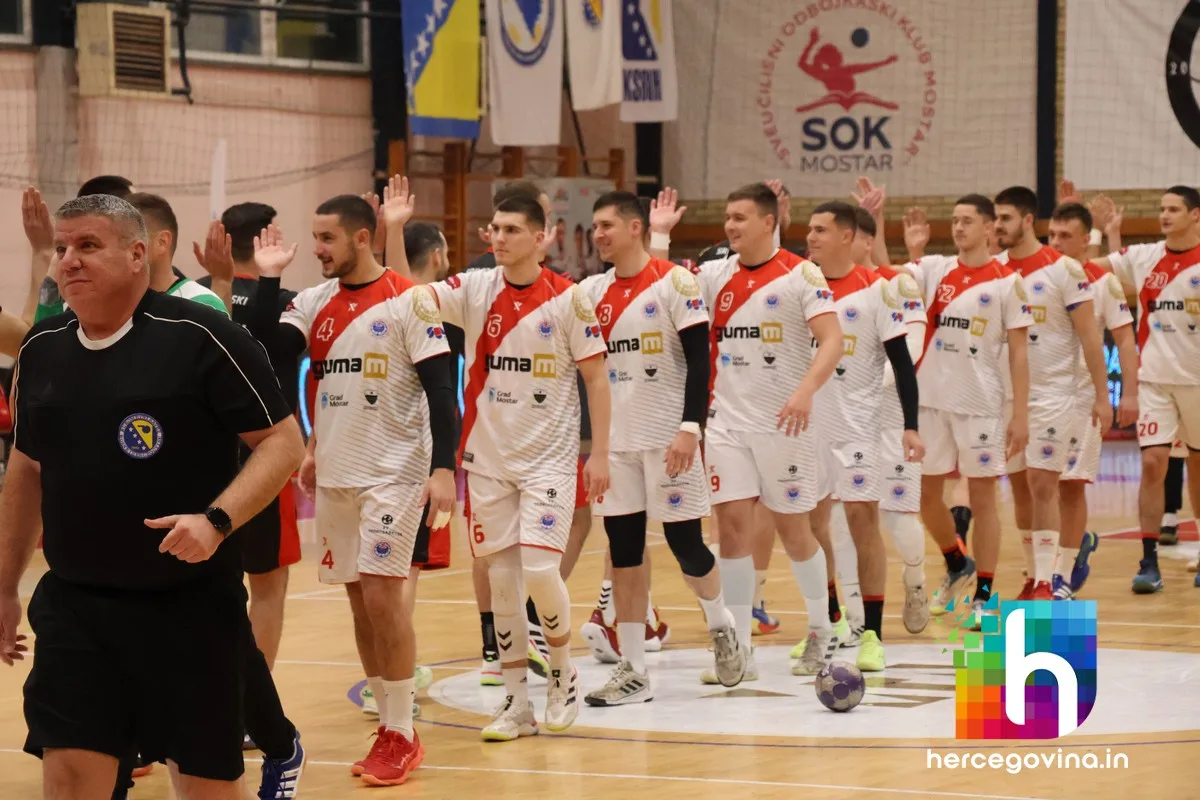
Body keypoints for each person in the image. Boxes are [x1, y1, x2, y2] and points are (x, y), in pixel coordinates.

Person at [0, 194, 306, 799]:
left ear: (138, 254)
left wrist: (216, 521)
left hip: (189, 607)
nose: (69, 260)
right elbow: (27, 469)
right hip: (76, 608)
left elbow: (283, 443)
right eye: (62, 248)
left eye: (88, 245)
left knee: (204, 786)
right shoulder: (42, 348)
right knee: (69, 777)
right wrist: (6, 586)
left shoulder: (202, 335)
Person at [250, 195, 458, 786]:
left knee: (384, 596)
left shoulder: (409, 299)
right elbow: (264, 358)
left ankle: (403, 732)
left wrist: (443, 469)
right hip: (337, 475)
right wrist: (268, 282)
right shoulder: (312, 302)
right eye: (315, 237)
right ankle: (389, 721)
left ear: (362, 238)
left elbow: (441, 390)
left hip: (395, 473)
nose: (316, 249)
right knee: (360, 602)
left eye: (327, 238)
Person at [393, 191, 612, 740]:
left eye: (512, 229)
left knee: (539, 572)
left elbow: (597, 379)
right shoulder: (474, 288)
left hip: (549, 463)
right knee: (503, 583)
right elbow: (406, 294)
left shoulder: (569, 298)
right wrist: (394, 230)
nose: (499, 237)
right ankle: (516, 703)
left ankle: (562, 672)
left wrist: (601, 453)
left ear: (541, 238)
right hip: (488, 462)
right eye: (494, 228)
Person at [653, 182, 844, 680]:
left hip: (785, 425)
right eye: (727, 217)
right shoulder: (713, 275)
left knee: (795, 531)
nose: (730, 226)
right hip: (727, 425)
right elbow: (660, 291)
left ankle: (822, 630)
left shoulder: (801, 274)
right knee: (732, 529)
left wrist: (805, 391)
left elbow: (832, 340)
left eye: (740, 217)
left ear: (768, 222)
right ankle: (739, 647)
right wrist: (660, 237)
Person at [576, 190, 746, 704]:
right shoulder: (589, 292)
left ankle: (721, 624)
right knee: (624, 552)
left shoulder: (675, 283)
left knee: (686, 546)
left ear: (635, 228)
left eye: (607, 225)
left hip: (669, 440)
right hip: (616, 446)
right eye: (595, 226)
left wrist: (690, 427)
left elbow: (700, 360)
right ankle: (633, 670)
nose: (598, 234)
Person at [802, 201, 923, 672]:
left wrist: (910, 425)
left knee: (861, 521)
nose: (810, 237)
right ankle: (829, 623)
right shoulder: (800, 287)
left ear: (847, 237)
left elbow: (902, 363)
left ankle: (872, 633)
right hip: (807, 427)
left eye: (820, 230)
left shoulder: (877, 291)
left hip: (858, 427)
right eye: (809, 229)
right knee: (812, 525)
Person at [903, 194, 1033, 629]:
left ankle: (984, 595)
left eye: (967, 221)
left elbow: (1019, 354)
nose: (958, 228)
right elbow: (883, 274)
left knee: (983, 499)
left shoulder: (1008, 282)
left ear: (989, 228)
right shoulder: (934, 269)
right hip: (929, 399)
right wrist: (890, 234)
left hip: (980, 404)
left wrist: (1020, 415)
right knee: (925, 497)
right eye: (954, 220)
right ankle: (958, 562)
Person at [196, 201, 303, 675]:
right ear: (269, 237)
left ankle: (207, 693)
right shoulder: (286, 303)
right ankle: (254, 703)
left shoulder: (192, 296)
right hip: (265, 458)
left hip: (202, 459)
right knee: (268, 586)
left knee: (201, 582)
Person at [992, 187, 1113, 601]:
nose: (997, 225)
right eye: (995, 218)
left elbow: (1091, 337)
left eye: (1005, 218)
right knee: (1020, 488)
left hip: (1054, 393)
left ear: (1028, 221)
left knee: (1044, 482)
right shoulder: (995, 270)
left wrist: (1103, 395)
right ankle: (1033, 576)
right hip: (1005, 397)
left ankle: (1050, 580)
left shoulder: (1065, 270)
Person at [1089, 185, 1200, 592]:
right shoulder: (1144, 256)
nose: (1164, 215)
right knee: (1153, 463)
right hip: (1153, 380)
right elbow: (1086, 270)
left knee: (1198, 466)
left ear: (1196, 216)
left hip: (1196, 382)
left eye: (1174, 209)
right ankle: (1148, 561)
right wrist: (1096, 230)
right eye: (1161, 208)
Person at [845, 202, 931, 635]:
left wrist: (858, 382)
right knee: (845, 520)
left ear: (865, 241)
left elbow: (908, 352)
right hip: (843, 420)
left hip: (890, 415)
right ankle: (855, 617)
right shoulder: (821, 287)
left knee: (899, 520)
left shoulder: (899, 285)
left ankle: (916, 581)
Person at [1046, 202, 1137, 598]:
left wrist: (1127, 394)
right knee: (1038, 488)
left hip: (1081, 398)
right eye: (1051, 235)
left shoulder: (1103, 282)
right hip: (1037, 398)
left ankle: (1062, 574)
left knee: (1070, 487)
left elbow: (1125, 340)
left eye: (1065, 236)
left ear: (1087, 241)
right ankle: (1048, 564)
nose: (1055, 243)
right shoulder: (1033, 278)